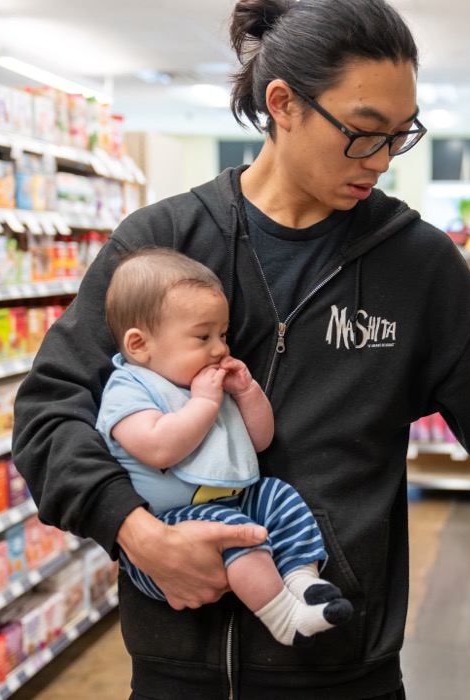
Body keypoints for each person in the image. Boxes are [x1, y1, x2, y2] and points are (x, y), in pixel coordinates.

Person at [13, 0, 470, 697]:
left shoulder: (414, 265)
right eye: (363, 132)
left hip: (342, 670)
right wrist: (133, 531)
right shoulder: (162, 245)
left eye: (400, 134)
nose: (383, 159)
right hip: (175, 667)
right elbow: (50, 410)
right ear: (283, 104)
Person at [97, 248, 353, 647]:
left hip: (230, 502)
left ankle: (303, 581)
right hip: (168, 532)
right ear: (139, 344)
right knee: (240, 533)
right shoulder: (129, 389)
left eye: (223, 335)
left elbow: (259, 439)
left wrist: (248, 392)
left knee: (277, 496)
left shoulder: (203, 383)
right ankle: (284, 620)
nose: (219, 349)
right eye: (203, 336)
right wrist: (203, 404)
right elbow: (158, 449)